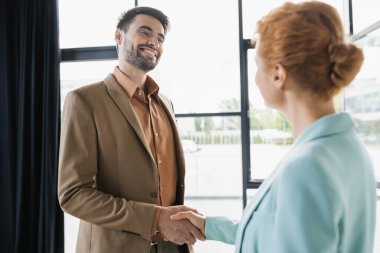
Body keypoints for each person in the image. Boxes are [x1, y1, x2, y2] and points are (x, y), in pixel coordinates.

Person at [171, 1, 377, 252]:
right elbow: (278, 228)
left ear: (278, 74)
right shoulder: (345, 146)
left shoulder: (308, 166)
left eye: (258, 66)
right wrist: (208, 226)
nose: (256, 78)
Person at [58, 6, 204, 253]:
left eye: (160, 38)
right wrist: (154, 219)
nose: (153, 42)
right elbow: (73, 195)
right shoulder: (84, 101)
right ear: (119, 37)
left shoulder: (165, 103)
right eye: (145, 32)